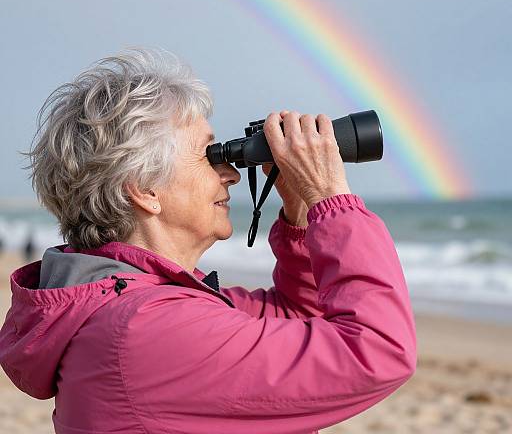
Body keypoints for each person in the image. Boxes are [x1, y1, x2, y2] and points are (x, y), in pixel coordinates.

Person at [0, 48, 416, 434]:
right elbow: (379, 350)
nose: (231, 174)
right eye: (209, 155)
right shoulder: (146, 331)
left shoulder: (143, 308)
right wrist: (332, 198)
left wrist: (302, 212)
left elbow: (303, 319)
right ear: (145, 189)